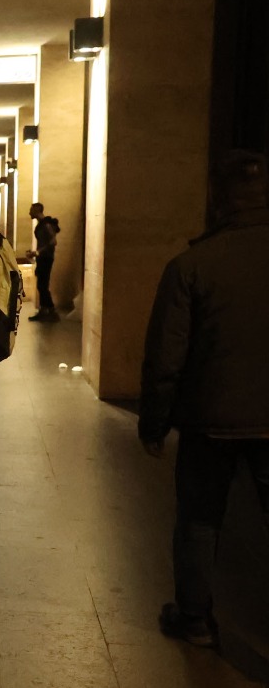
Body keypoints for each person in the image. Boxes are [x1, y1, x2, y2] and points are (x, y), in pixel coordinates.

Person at [139, 150, 269, 649]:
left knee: (199, 518)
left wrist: (153, 424)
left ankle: (194, 619)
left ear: (216, 198)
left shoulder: (192, 265)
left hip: (211, 417)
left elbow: (165, 358)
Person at [28, 202, 61, 322]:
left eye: (31, 210)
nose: (29, 212)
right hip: (44, 257)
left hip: (46, 257)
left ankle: (50, 309)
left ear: (37, 210)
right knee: (42, 284)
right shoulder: (42, 225)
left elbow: (53, 242)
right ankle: (46, 309)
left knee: (42, 284)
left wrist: (38, 252)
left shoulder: (46, 224)